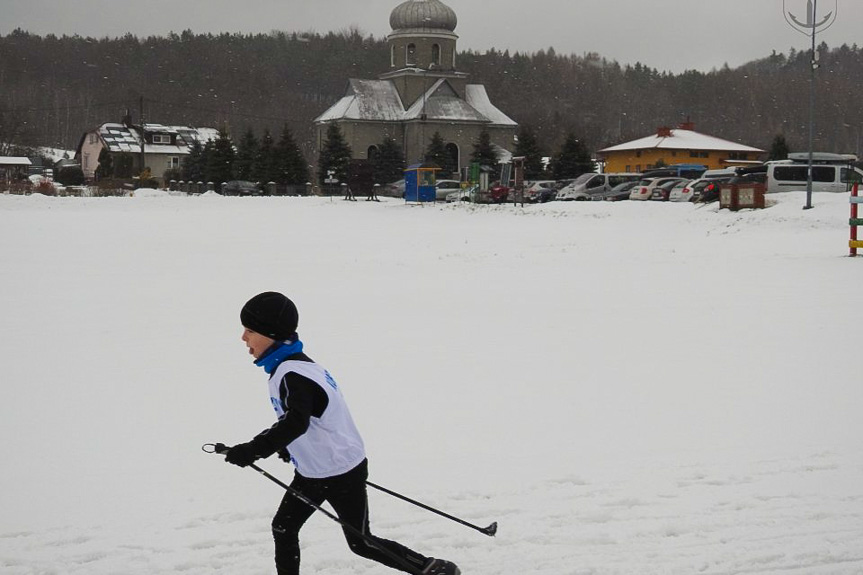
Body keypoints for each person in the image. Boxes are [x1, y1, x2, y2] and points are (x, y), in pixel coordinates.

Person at [222, 292, 460, 575]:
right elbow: (310, 420)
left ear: (271, 333)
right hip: (316, 472)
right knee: (283, 528)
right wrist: (289, 447)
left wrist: (254, 449)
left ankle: (430, 568)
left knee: (361, 543)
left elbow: (296, 423)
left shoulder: (293, 375)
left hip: (339, 471)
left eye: (250, 330)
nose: (243, 338)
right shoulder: (292, 367)